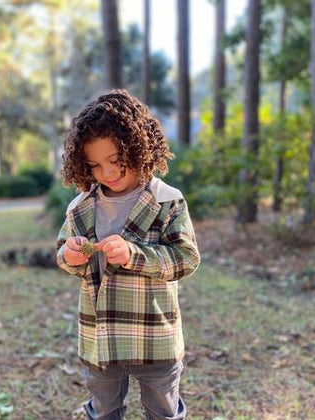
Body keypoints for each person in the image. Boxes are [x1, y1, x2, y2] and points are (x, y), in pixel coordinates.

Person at [56, 89, 201, 420]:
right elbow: (63, 253)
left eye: (116, 162)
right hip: (101, 336)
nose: (106, 173)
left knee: (162, 412)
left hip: (154, 335)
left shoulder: (168, 201)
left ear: (138, 149)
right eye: (95, 165)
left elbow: (186, 258)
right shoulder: (80, 208)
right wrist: (71, 256)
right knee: (104, 410)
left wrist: (134, 255)